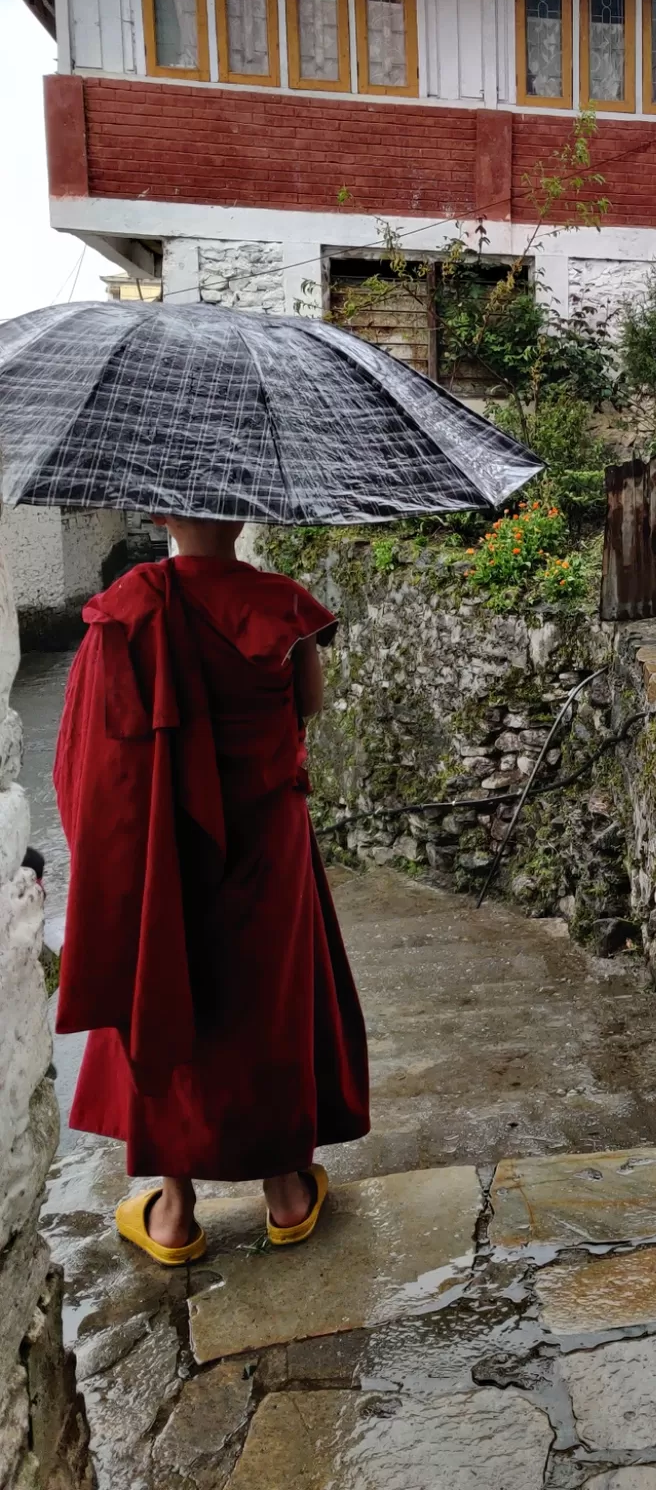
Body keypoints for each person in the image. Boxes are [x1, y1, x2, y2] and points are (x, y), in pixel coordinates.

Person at [54, 517, 369, 1264]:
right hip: (267, 840)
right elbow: (309, 708)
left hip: (166, 843)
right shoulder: (282, 606)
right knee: (267, 998)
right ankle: (287, 1192)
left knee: (167, 983)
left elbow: (91, 763)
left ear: (162, 517)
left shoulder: (127, 610)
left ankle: (174, 1210)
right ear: (243, 514)